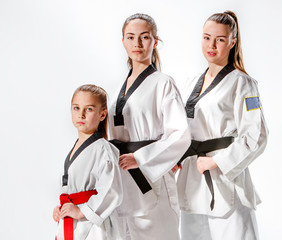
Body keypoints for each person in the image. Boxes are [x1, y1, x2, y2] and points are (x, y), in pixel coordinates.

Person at [176, 11, 268, 240]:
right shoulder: (190, 82)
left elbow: (256, 136)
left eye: (220, 39)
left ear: (232, 42)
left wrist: (217, 161)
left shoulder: (243, 83)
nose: (212, 45)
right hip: (192, 177)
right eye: (207, 37)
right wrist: (176, 156)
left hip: (225, 178)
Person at [108, 13, 190, 240]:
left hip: (150, 181)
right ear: (123, 41)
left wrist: (142, 158)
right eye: (130, 37)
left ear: (155, 42)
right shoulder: (116, 90)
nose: (137, 43)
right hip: (123, 184)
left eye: (144, 37)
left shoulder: (163, 83)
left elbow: (180, 135)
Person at [53, 84, 123, 240]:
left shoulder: (103, 149)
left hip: (93, 226)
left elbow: (112, 189)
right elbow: (70, 186)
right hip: (74, 220)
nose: (81, 114)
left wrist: (82, 211)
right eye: (76, 108)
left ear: (103, 114)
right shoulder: (76, 148)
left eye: (89, 109)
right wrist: (60, 208)